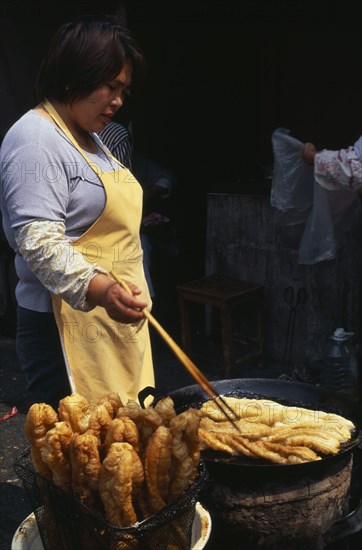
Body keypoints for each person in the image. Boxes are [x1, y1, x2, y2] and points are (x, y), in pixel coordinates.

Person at [0, 16, 154, 409]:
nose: (118, 101)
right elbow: (38, 241)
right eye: (110, 86)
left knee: (127, 446)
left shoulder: (95, 140)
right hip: (63, 331)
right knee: (79, 458)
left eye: (124, 90)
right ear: (73, 77)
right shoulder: (35, 139)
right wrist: (103, 288)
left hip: (112, 325)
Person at [99, 122, 178, 298]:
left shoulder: (138, 163)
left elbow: (169, 177)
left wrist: (147, 194)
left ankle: (146, 302)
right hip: (107, 233)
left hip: (136, 228)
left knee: (141, 248)